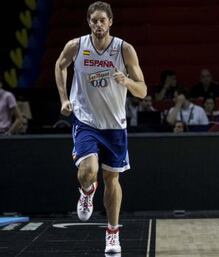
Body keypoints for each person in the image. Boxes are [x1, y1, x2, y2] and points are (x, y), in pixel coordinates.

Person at [54, 1, 147, 254]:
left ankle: (113, 233)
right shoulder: (77, 46)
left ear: (110, 22)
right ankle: (87, 190)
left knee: (112, 180)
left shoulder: (124, 50)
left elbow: (143, 90)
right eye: (93, 20)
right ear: (89, 22)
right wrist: (64, 98)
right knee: (88, 170)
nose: (98, 25)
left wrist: (126, 80)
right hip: (86, 121)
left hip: (115, 126)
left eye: (102, 20)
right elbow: (60, 65)